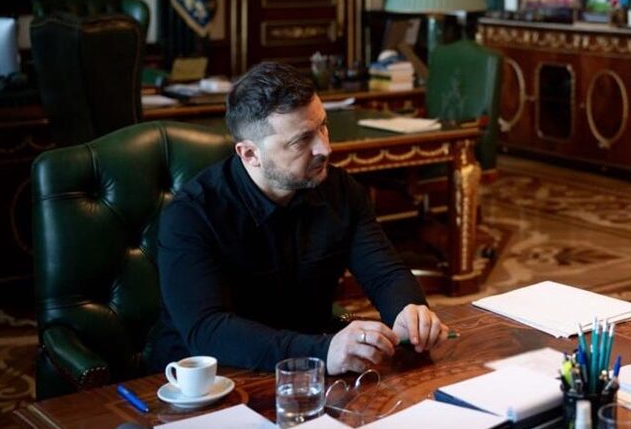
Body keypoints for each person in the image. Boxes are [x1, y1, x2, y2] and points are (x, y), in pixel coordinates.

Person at [149, 61, 449, 376]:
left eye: (323, 126)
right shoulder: (192, 214)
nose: (325, 148)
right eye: (302, 140)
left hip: (309, 371)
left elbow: (384, 274)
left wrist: (407, 310)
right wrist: (322, 352)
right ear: (250, 154)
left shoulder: (340, 190)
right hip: (204, 380)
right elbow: (208, 330)